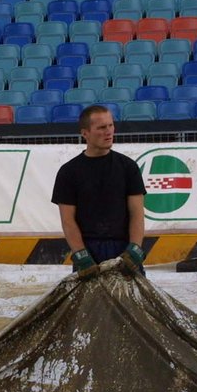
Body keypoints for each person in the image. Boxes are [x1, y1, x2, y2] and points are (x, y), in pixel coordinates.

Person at [51, 105, 147, 274]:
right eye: (102, 127)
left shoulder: (128, 167)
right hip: (89, 250)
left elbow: (137, 214)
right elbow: (68, 220)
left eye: (111, 125)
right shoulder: (68, 172)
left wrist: (135, 248)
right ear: (85, 133)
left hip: (124, 249)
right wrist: (81, 255)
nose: (108, 132)